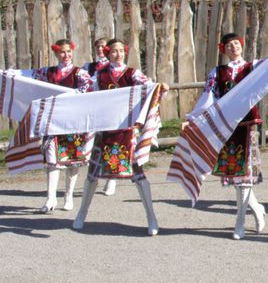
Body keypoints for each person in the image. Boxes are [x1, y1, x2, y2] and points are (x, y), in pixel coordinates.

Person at [72, 38, 160, 236]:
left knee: (139, 174)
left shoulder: (133, 73)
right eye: (114, 51)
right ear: (107, 53)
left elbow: (150, 87)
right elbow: (85, 94)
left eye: (121, 50)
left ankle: (151, 218)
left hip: (127, 131)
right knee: (92, 174)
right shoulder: (99, 76)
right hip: (105, 132)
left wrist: (160, 88)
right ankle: (81, 213)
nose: (118, 54)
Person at [186, 33, 266, 239]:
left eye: (236, 44)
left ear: (242, 45)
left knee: (244, 173)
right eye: (229, 45)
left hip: (247, 124)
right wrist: (194, 118)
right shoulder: (217, 72)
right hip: (226, 125)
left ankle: (240, 221)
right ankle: (256, 208)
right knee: (236, 173)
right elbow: (208, 97)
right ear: (224, 49)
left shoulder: (253, 67)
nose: (234, 47)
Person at [13, 39, 93, 212]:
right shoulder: (47, 73)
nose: (66, 55)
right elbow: (26, 75)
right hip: (53, 122)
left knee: (72, 161)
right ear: (56, 54)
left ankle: (68, 196)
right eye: (62, 52)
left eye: (68, 51)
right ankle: (50, 199)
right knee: (52, 160)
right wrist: (8, 74)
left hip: (73, 123)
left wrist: (67, 97)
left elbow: (87, 91)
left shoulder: (80, 74)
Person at [82, 37, 116, 197]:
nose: (100, 49)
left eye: (103, 46)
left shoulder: (113, 67)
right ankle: (93, 176)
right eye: (98, 47)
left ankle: (111, 179)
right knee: (92, 144)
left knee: (109, 142)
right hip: (93, 109)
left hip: (109, 110)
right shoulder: (89, 67)